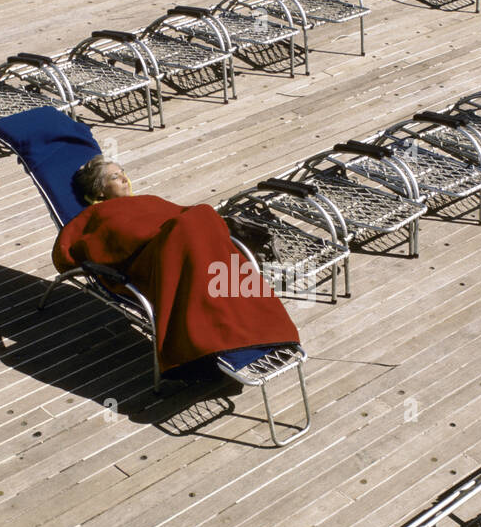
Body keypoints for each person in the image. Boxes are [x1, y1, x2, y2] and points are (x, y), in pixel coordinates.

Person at [52, 161, 301, 379]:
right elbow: (82, 247)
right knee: (194, 223)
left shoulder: (147, 200)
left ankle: (255, 328)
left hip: (187, 245)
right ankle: (224, 337)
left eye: (123, 172)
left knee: (201, 217)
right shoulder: (95, 215)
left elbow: (178, 214)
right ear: (99, 190)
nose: (124, 179)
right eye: (114, 177)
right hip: (154, 258)